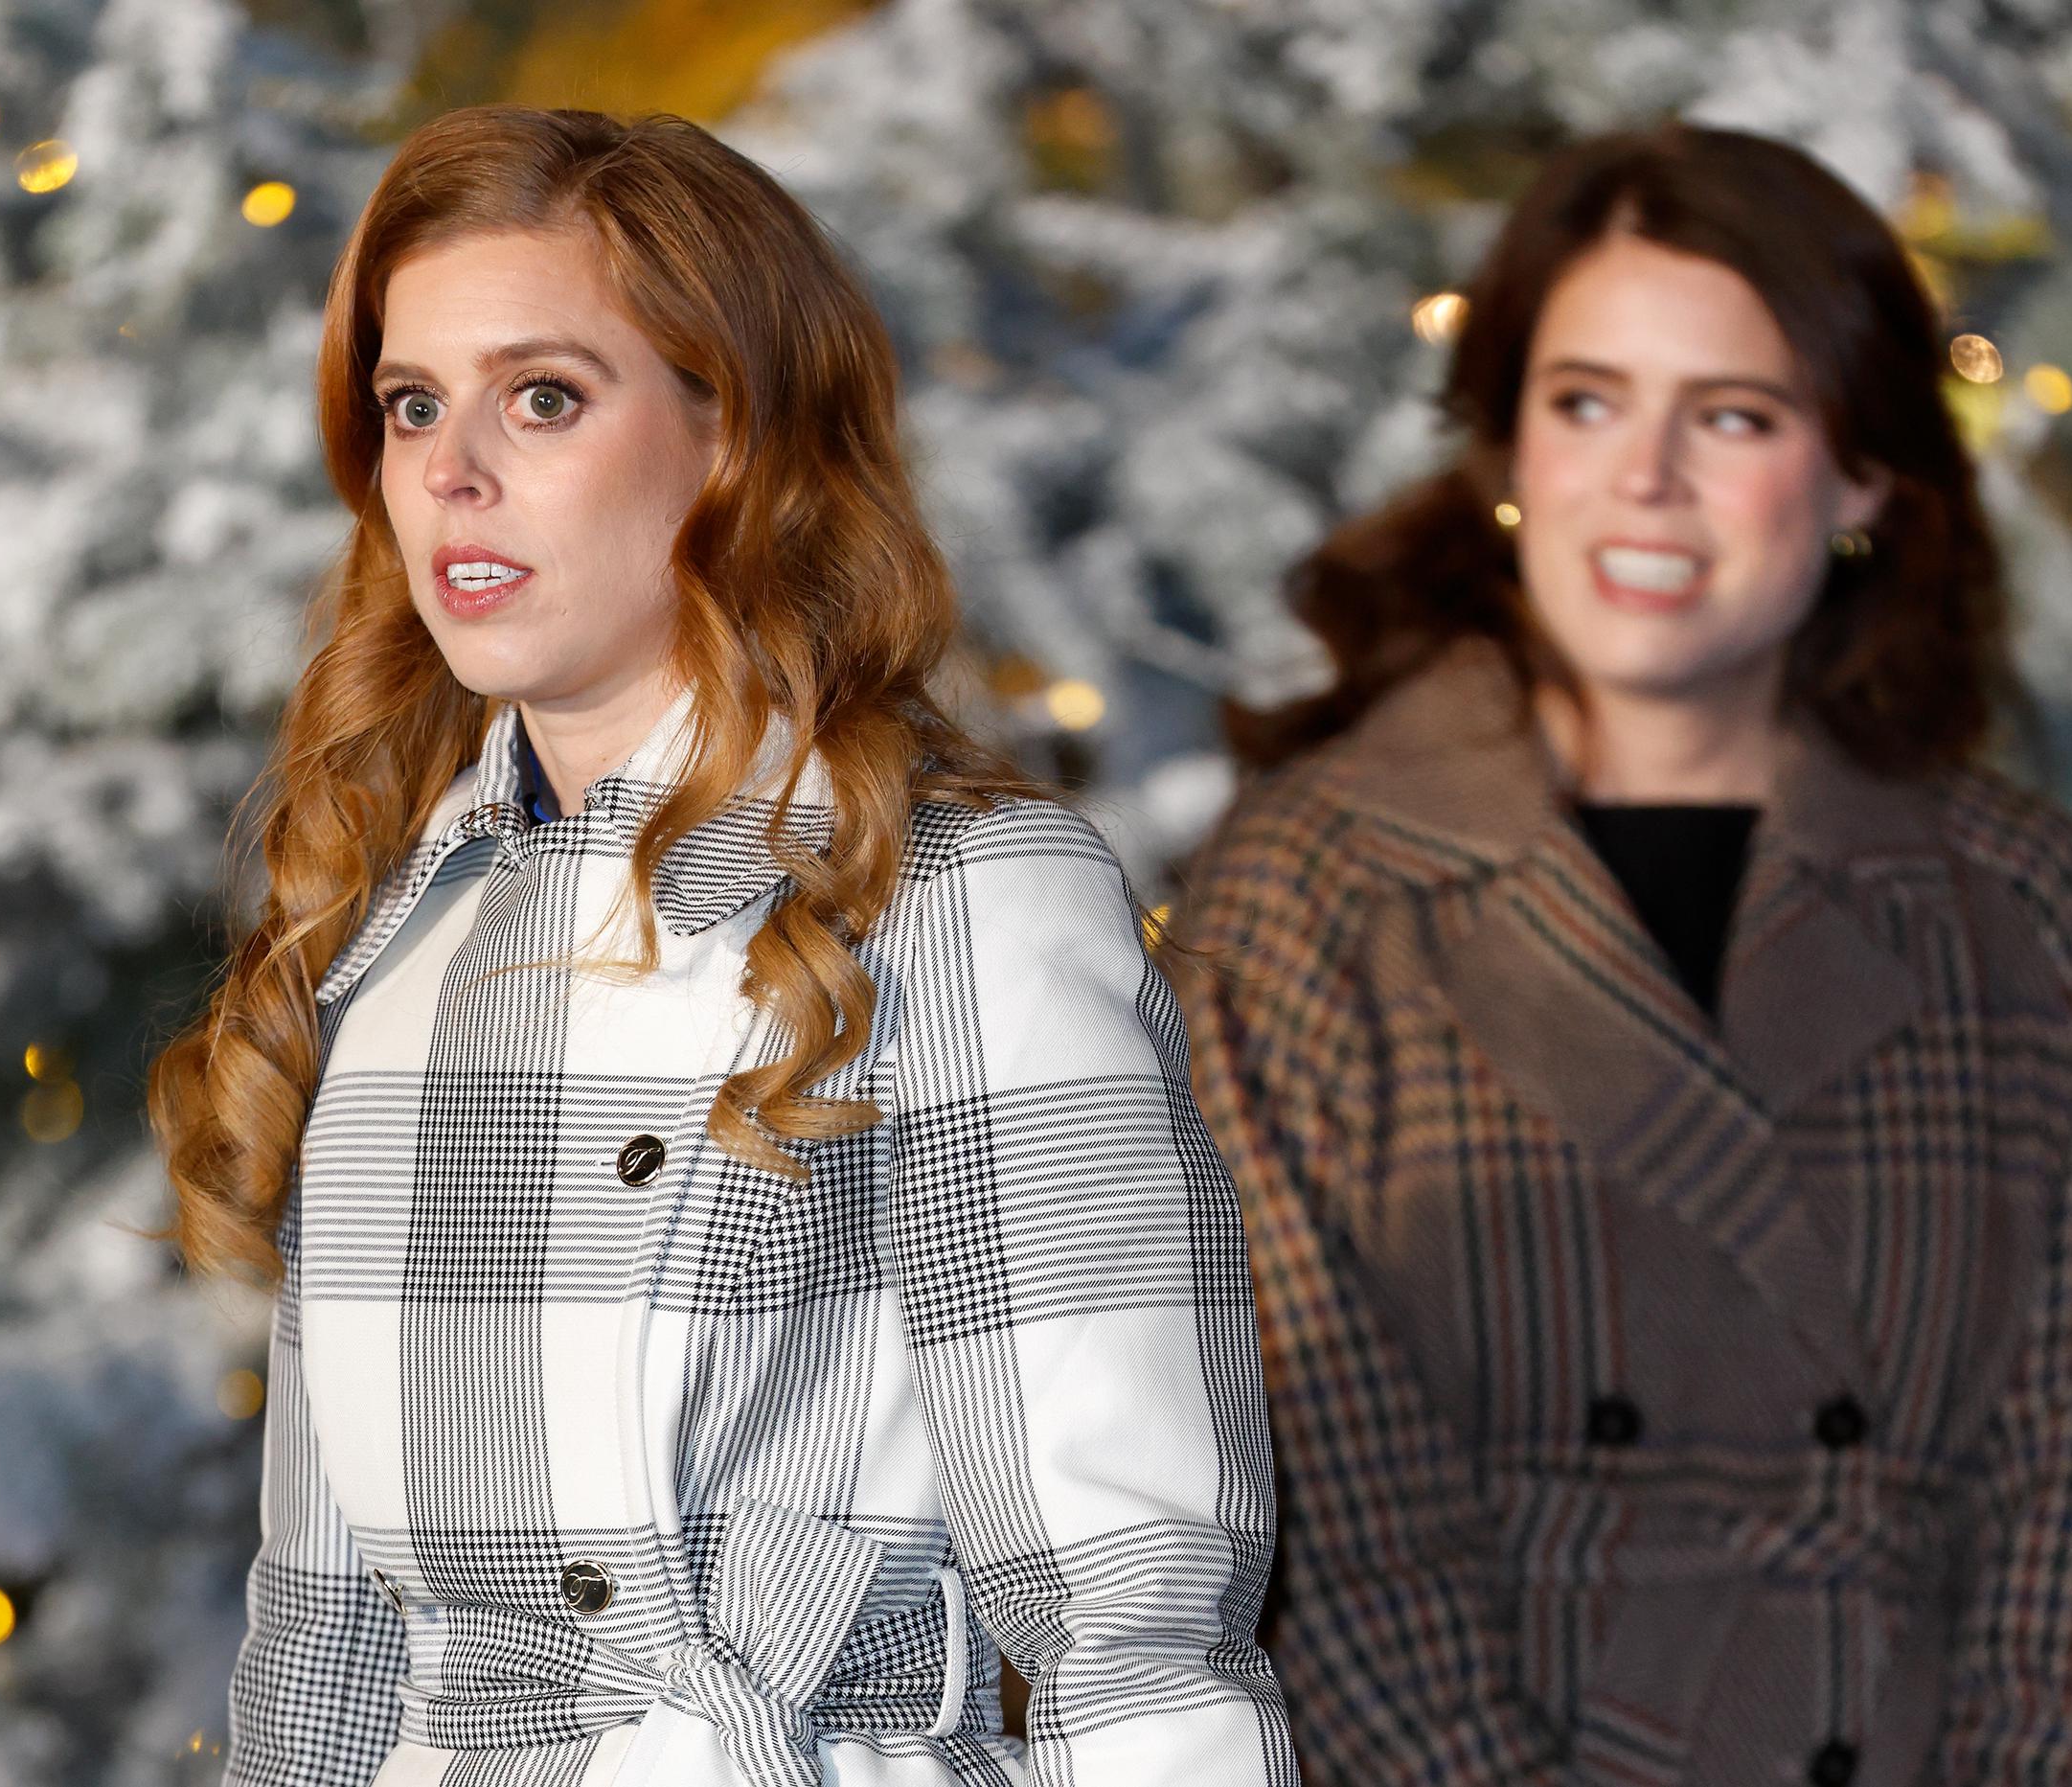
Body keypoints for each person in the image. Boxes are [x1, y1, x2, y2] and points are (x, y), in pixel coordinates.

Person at [148, 105, 1295, 1787]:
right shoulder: (390, 932)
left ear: (736, 434)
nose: (451, 469)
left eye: (544, 395)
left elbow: (1129, 1630)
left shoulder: (962, 897)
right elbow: (324, 1660)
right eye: (412, 404)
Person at [1174, 124, 2072, 1787]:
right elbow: (1314, 1515)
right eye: (1586, 400)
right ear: (1511, 443)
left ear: (1867, 474)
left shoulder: (2030, 914)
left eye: (1731, 415)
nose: (1642, 478)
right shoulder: (1305, 899)